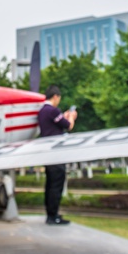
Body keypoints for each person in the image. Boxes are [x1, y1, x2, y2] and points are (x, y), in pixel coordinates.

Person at [37, 85, 77, 225]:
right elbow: (68, 125)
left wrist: (63, 116)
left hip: (46, 153)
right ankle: (53, 216)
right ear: (55, 97)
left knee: (49, 184)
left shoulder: (42, 111)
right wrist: (71, 117)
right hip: (56, 153)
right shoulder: (53, 110)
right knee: (56, 184)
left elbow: (56, 123)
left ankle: (50, 213)